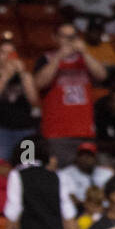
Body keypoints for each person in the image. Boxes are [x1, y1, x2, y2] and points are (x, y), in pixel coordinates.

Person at [34, 22, 108, 162]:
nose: (69, 40)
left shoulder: (85, 60)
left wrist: (85, 53)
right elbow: (39, 83)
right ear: (55, 38)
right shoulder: (46, 58)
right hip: (57, 132)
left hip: (84, 130)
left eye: (72, 37)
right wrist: (58, 57)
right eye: (65, 36)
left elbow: (102, 75)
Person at [0, 38, 39, 161]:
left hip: (25, 130)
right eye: (3, 52)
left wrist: (22, 74)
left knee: (27, 165)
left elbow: (34, 100)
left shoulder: (25, 76)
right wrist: (5, 76)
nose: (7, 57)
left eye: (11, 53)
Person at [58, 143, 114, 211]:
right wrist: (90, 206)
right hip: (79, 210)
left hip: (106, 210)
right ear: (77, 157)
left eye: (89, 155)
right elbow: (68, 198)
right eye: (82, 155)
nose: (86, 158)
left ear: (95, 158)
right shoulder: (65, 174)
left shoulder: (107, 173)